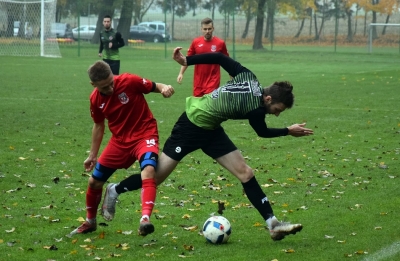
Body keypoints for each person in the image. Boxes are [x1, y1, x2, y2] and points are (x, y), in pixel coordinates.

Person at [100, 47, 314, 241]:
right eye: (277, 110)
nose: (276, 114)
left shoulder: (250, 77)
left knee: (245, 173)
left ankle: (273, 224)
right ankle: (115, 189)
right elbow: (262, 132)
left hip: (211, 129)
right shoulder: (255, 110)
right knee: (156, 177)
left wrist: (187, 60)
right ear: (268, 99)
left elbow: (220, 57)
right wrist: (288, 131)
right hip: (190, 126)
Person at [68, 60, 175, 237]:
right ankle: (90, 222)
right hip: (119, 142)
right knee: (94, 182)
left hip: (145, 134)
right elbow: (98, 125)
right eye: (104, 87)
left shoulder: (129, 81)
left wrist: (164, 88)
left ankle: (145, 219)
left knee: (148, 170)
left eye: (111, 82)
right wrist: (92, 155)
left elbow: (155, 86)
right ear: (93, 85)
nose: (110, 88)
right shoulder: (95, 99)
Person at [177, 17, 229, 97]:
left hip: (213, 82)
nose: (207, 31)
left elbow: (228, 62)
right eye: (205, 29)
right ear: (201, 29)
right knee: (198, 106)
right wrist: (181, 73)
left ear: (213, 29)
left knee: (209, 106)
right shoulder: (196, 42)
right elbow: (187, 59)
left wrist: (232, 77)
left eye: (209, 29)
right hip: (198, 82)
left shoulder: (220, 43)